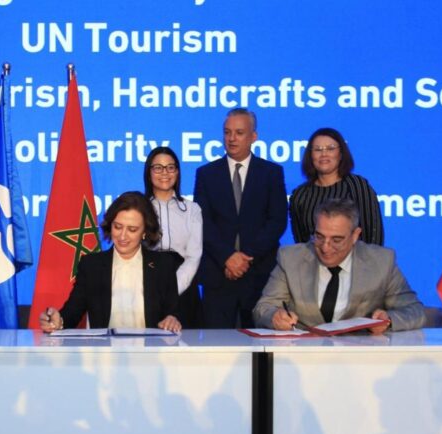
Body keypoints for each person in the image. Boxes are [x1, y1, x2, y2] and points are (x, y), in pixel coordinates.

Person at [254, 198, 424, 334]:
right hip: (303, 356)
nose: (325, 247)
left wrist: (388, 320)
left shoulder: (382, 261)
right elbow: (263, 308)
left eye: (336, 240)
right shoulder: (291, 258)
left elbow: (415, 311)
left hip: (360, 359)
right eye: (319, 236)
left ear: (355, 235)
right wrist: (274, 317)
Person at [194, 108, 287, 328]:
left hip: (258, 274)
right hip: (218, 274)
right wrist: (227, 257)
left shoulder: (271, 172)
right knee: (216, 342)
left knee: (259, 343)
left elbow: (277, 221)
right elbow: (202, 222)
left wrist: (245, 258)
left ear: (253, 136)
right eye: (227, 132)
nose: (232, 138)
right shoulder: (206, 173)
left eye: (239, 132)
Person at [39, 191, 181, 333]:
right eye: (117, 227)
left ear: (145, 232)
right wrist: (58, 321)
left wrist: (172, 319)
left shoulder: (164, 264)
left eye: (132, 229)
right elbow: (72, 313)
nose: (122, 236)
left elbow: (173, 312)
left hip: (151, 347)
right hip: (105, 347)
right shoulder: (91, 266)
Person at [289, 127, 384, 245]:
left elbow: (374, 233)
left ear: (341, 154)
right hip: (313, 257)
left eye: (330, 148)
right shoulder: (300, 195)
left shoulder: (357, 185)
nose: (324, 154)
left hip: (357, 256)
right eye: (317, 149)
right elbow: (301, 243)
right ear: (310, 156)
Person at [143, 146, 203, 328]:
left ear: (177, 172)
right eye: (158, 168)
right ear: (149, 172)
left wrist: (172, 289)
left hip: (184, 285)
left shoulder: (192, 209)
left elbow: (193, 256)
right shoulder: (140, 208)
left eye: (170, 167)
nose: (165, 173)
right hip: (147, 284)